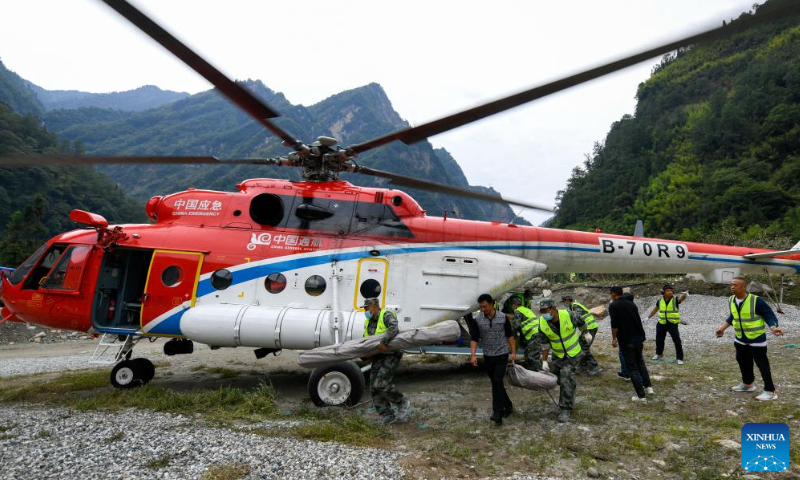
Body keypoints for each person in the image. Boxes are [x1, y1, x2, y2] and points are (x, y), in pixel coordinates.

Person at [715, 276, 784, 401]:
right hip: (740, 339)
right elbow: (733, 316)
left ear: (744, 287)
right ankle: (748, 384)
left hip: (757, 339)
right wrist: (722, 328)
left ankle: (770, 391)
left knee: (762, 365)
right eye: (731, 284)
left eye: (735, 285)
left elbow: (768, 315)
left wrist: (773, 327)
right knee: (742, 361)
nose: (732, 287)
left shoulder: (756, 300)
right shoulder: (731, 300)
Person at [534, 298, 589, 423]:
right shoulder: (542, 323)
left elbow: (582, 323)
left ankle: (565, 408)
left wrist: (586, 333)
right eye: (542, 311)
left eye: (546, 310)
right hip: (558, 356)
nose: (544, 313)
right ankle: (570, 387)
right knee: (557, 378)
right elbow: (545, 344)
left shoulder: (568, 315)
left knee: (566, 377)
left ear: (553, 308)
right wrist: (544, 361)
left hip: (573, 354)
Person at [468, 293, 517, 425]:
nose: (482, 309)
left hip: (502, 354)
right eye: (480, 307)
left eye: (484, 306)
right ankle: (508, 405)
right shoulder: (478, 320)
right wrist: (473, 355)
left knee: (496, 380)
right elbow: (474, 338)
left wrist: (513, 352)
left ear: (491, 304)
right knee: (497, 383)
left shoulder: (502, 317)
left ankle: (497, 412)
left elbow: (510, 335)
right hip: (488, 356)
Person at [363, 297, 410, 425]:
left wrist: (384, 341)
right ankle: (387, 415)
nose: (365, 311)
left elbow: (394, 327)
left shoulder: (386, 315)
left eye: (366, 308)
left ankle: (402, 402)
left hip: (391, 354)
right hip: (378, 356)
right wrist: (366, 355)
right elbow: (367, 341)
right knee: (374, 387)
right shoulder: (368, 322)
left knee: (381, 383)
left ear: (374, 307)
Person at [609, 286, 654, 401]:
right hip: (639, 337)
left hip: (627, 340)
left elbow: (615, 325)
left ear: (614, 294)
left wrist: (614, 338)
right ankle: (649, 387)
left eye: (610, 294)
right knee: (640, 362)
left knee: (632, 367)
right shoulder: (631, 304)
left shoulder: (614, 305)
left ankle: (641, 396)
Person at [562, 294, 602, 376]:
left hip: (590, 328)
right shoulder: (573, 306)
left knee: (584, 348)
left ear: (567, 300)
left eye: (564, 301)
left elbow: (577, 317)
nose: (564, 303)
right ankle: (583, 366)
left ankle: (595, 367)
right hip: (588, 328)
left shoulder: (575, 306)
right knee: (581, 347)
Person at [647, 285, 687, 364]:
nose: (670, 292)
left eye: (671, 291)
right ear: (663, 292)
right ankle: (659, 354)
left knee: (677, 341)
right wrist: (648, 317)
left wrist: (684, 295)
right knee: (659, 340)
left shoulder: (675, 300)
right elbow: (655, 309)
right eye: (668, 291)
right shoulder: (660, 301)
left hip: (672, 324)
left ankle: (679, 358)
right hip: (661, 323)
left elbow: (681, 299)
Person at [510, 296, 542, 371]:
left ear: (514, 304)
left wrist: (512, 336)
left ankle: (536, 372)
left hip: (534, 334)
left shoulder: (518, 311)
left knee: (532, 356)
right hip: (537, 333)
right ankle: (529, 370)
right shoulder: (526, 310)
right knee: (528, 353)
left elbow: (516, 325)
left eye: (513, 304)